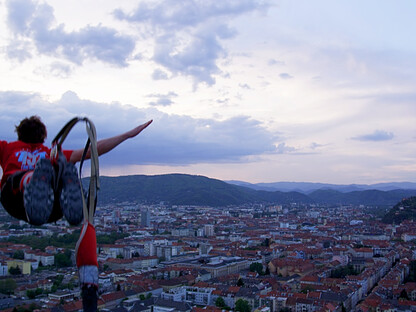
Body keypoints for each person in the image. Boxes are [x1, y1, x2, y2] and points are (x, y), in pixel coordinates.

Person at [0, 116, 152, 226]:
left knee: (17, 177)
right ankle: (63, 187)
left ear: (19, 133)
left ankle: (33, 181)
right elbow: (92, 150)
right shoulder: (52, 153)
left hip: (15, 202)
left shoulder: (7, 148)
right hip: (53, 208)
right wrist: (127, 135)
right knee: (62, 169)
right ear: (43, 136)